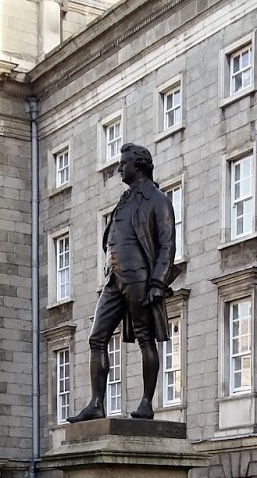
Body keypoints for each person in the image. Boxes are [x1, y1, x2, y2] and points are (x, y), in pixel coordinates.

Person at [69, 142, 178, 422]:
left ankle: (146, 403)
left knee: (145, 338)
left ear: (138, 165)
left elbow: (167, 246)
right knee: (97, 337)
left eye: (124, 163)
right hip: (114, 277)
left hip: (140, 277)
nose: (119, 168)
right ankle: (96, 404)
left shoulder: (158, 200)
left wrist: (157, 282)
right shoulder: (125, 199)